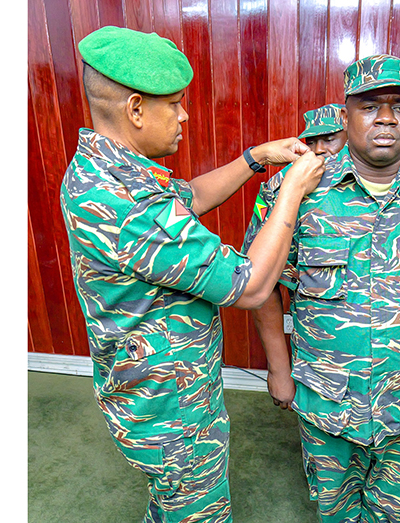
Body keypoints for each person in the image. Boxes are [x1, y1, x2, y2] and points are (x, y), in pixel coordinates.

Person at [59, 26, 324, 522]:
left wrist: (256, 159)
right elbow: (251, 285)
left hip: (158, 390)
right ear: (136, 109)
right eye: (175, 104)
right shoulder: (126, 202)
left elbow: (191, 198)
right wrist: (291, 192)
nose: (184, 115)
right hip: (170, 413)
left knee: (170, 507)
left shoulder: (105, 168)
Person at [242, 54, 400, 522]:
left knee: (394, 513)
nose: (386, 118)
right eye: (370, 106)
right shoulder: (293, 191)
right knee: (333, 509)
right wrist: (279, 372)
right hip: (327, 400)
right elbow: (262, 291)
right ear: (345, 115)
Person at [250, 103, 348, 405]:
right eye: (311, 142)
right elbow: (260, 281)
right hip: (321, 373)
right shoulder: (279, 188)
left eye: (329, 139)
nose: (319, 151)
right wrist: (279, 369)